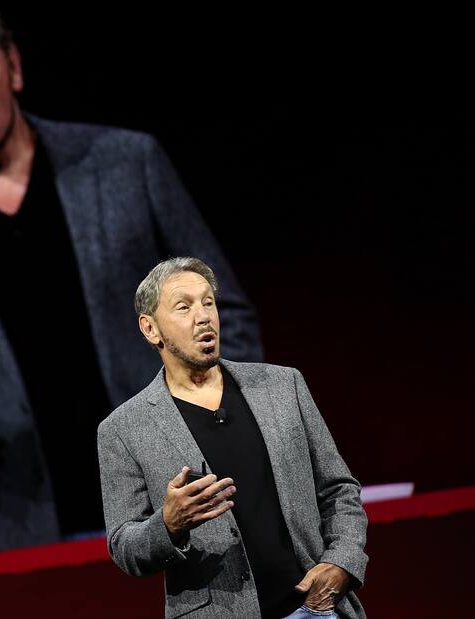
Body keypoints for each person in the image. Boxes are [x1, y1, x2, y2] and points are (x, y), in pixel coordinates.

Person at [0, 0, 264, 554]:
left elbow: (228, 313)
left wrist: (219, 421)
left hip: (180, 495)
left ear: (13, 66)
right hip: (23, 530)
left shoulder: (126, 163)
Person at [97, 257, 367, 618]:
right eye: (184, 307)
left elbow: (339, 488)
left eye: (208, 302)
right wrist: (168, 524)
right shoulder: (123, 429)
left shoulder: (283, 386)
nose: (204, 316)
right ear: (150, 329)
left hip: (315, 607)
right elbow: (124, 547)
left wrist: (343, 562)